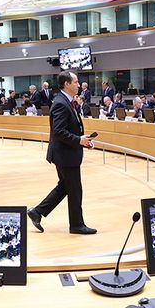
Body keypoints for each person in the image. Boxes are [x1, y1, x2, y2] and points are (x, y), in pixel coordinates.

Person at [28, 71, 97, 235]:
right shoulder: (60, 103)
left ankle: (37, 212)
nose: (78, 85)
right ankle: (76, 225)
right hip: (65, 155)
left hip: (66, 153)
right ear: (66, 84)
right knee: (74, 189)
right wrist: (79, 140)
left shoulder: (67, 101)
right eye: (76, 82)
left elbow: (71, 128)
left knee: (65, 187)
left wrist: (83, 140)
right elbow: (58, 131)